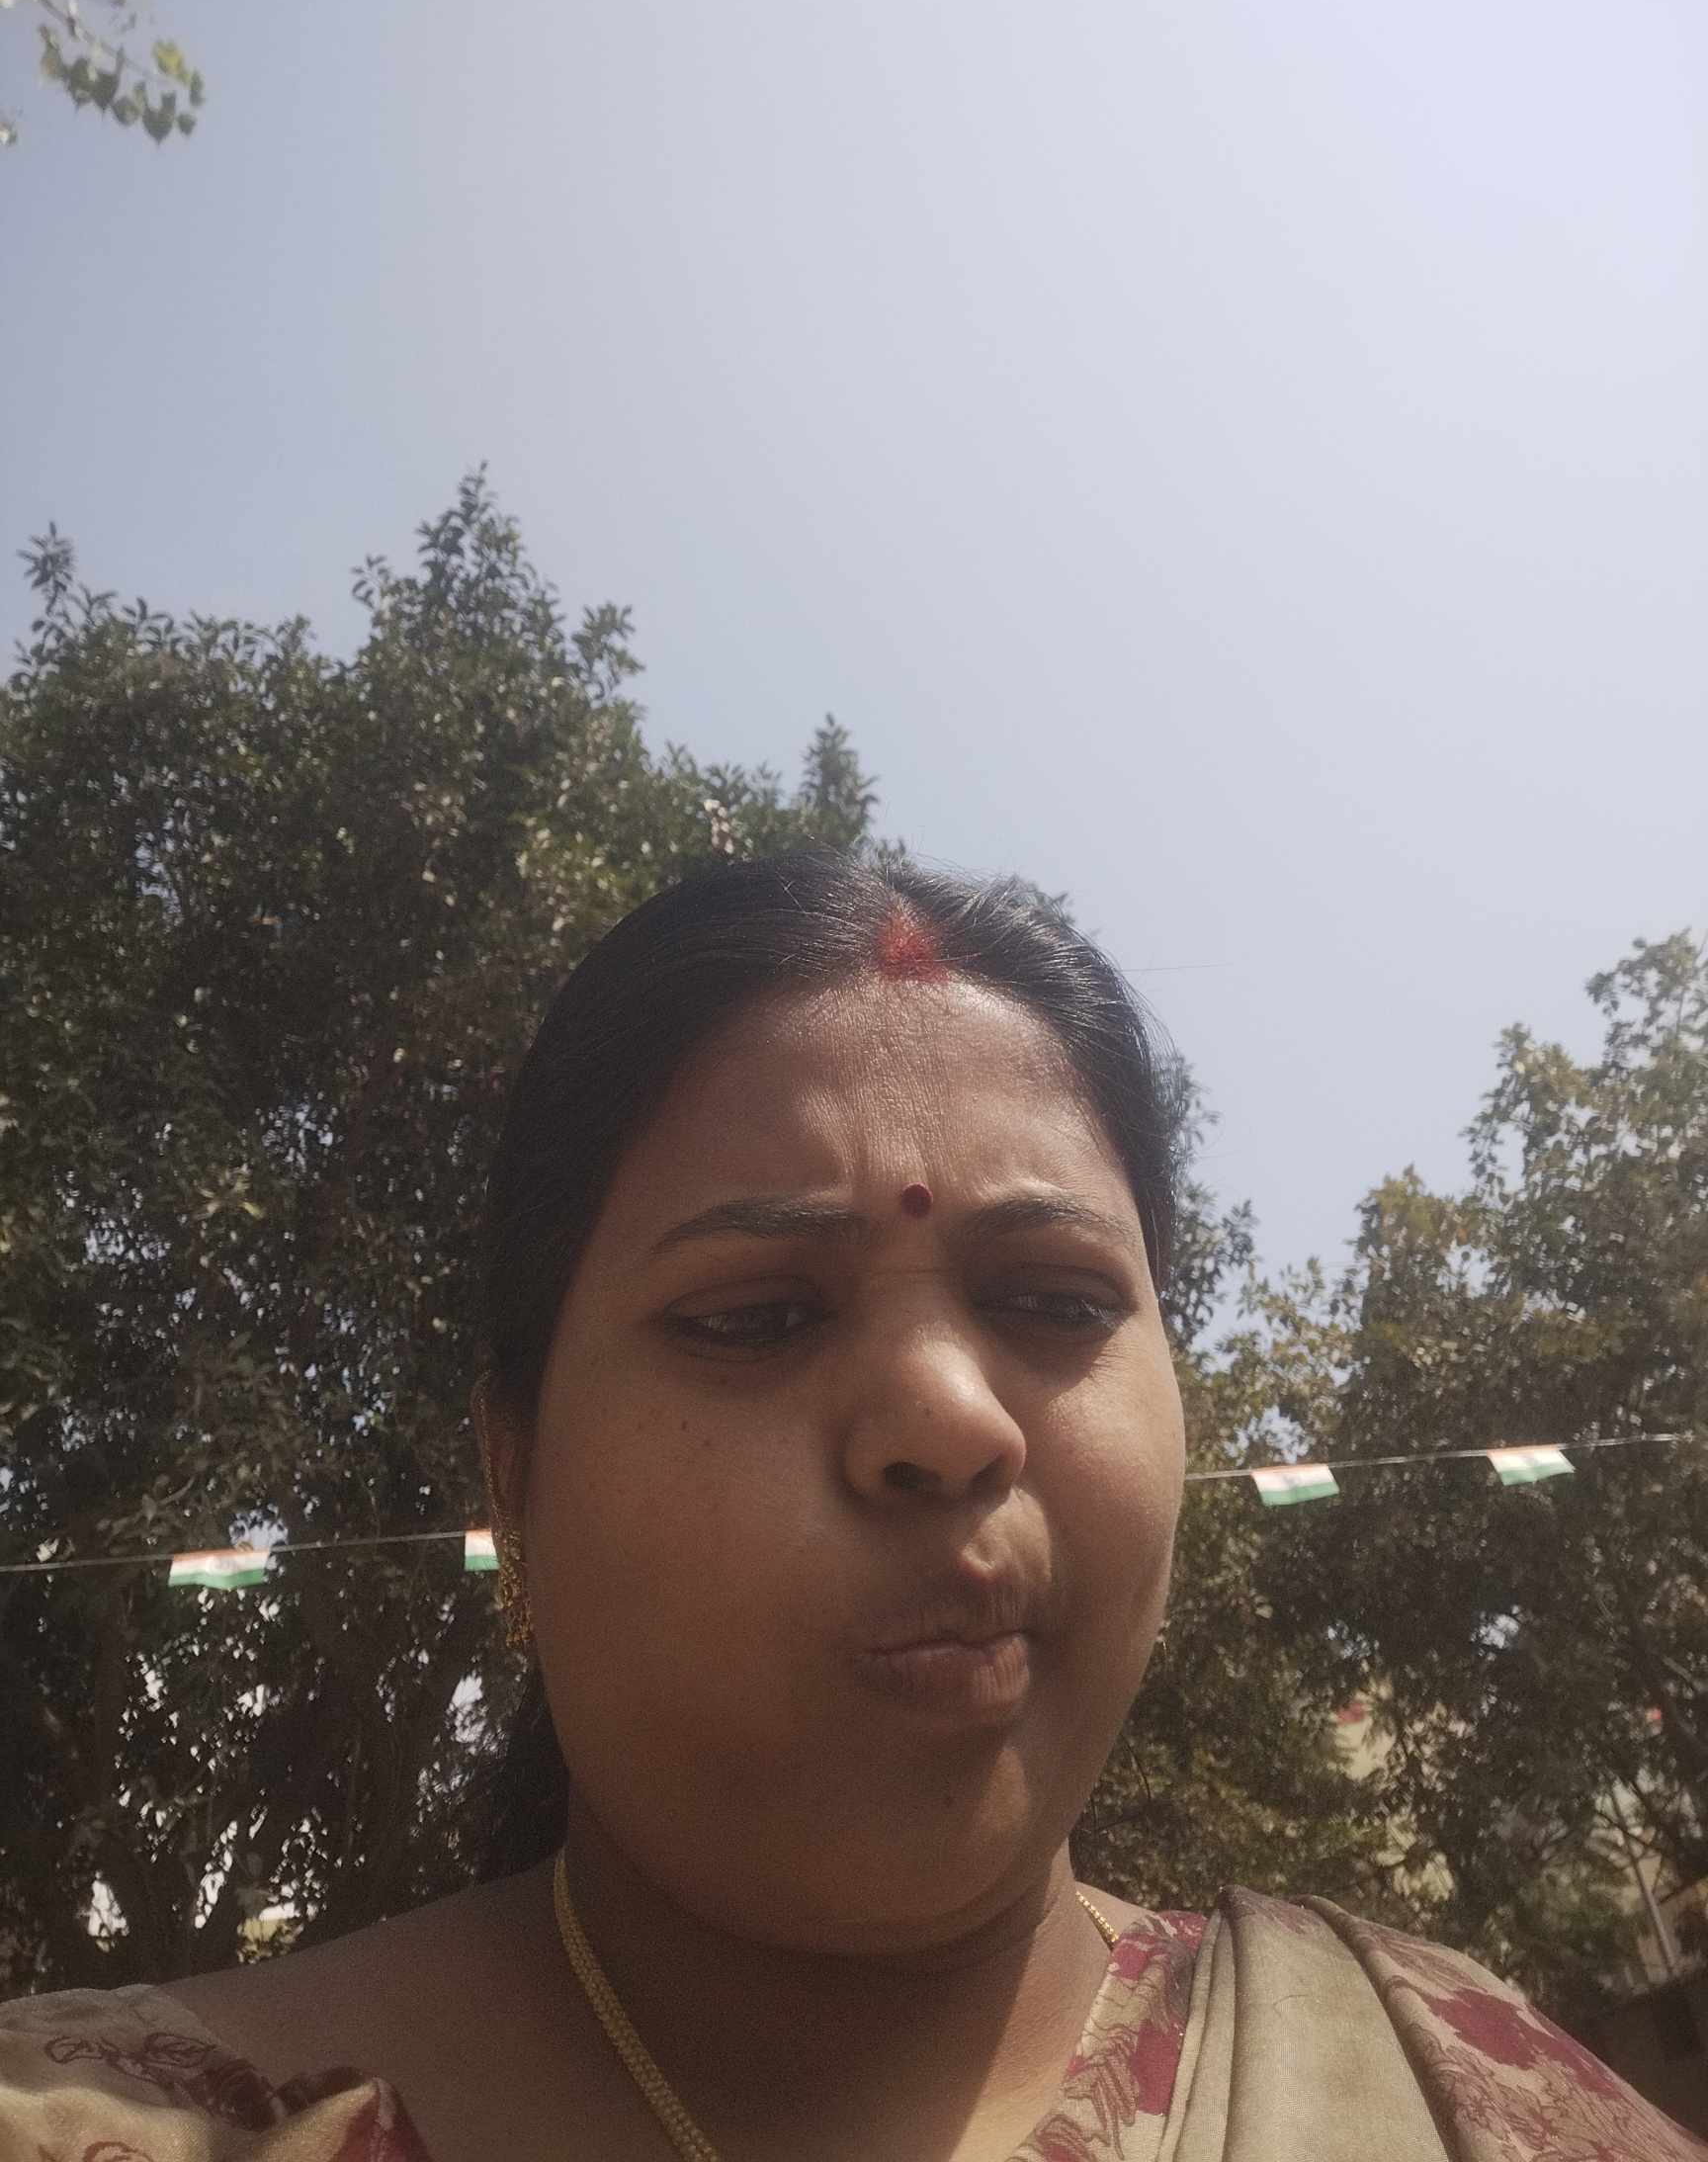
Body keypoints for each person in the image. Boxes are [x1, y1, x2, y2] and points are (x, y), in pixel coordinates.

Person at [2, 851, 1700, 2161]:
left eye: (1054, 1302)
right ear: (514, 1476)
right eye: (756, 1317)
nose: (953, 1424)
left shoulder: (1455, 2090)